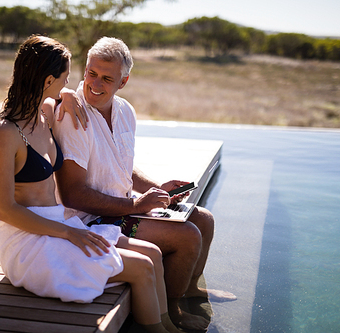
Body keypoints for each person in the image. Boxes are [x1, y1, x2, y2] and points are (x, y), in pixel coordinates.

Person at [0, 35, 181, 333]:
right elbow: (5, 210)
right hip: (27, 242)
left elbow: (56, 97)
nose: (72, 86)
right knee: (142, 268)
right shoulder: (4, 134)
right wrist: (68, 233)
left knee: (153, 255)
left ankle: (168, 325)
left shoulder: (47, 114)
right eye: (65, 80)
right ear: (48, 79)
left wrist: (65, 96)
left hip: (58, 228)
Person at [50, 37, 236, 331]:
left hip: (123, 208)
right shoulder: (72, 115)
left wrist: (158, 189)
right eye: (91, 74)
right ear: (84, 70)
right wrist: (137, 204)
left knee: (204, 219)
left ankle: (191, 290)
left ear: (123, 82)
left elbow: (121, 165)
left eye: (107, 78)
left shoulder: (125, 111)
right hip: (92, 221)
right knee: (186, 236)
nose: (94, 84)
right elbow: (72, 195)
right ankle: (172, 310)